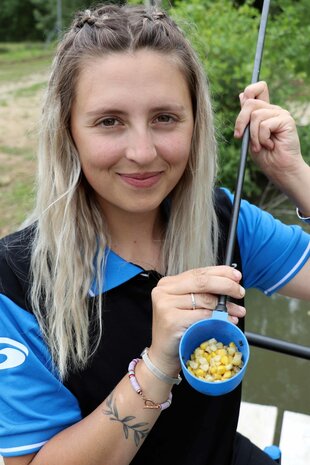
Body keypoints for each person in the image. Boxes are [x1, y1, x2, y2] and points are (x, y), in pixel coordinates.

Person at [0, 3, 309, 465]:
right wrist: (158, 364)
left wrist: (296, 176)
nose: (143, 152)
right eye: (110, 121)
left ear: (196, 123)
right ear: (68, 132)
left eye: (165, 118)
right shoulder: (16, 280)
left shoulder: (223, 220)